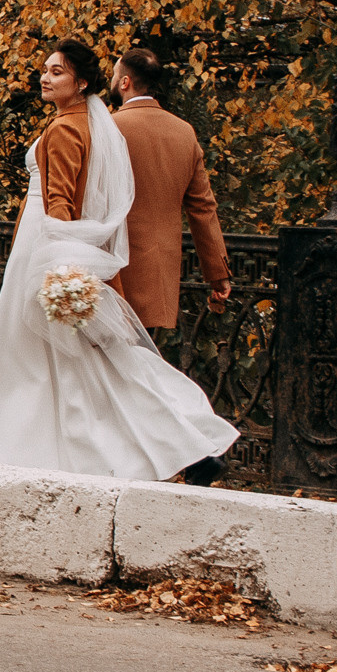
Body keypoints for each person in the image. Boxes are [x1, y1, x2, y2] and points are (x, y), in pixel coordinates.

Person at [0, 39, 239, 482]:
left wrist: (62, 264)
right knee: (101, 364)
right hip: (131, 263)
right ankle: (180, 446)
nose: (44, 76)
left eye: (56, 71)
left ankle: (174, 446)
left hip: (70, 252)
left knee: (84, 364)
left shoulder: (91, 128)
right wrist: (219, 274)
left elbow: (61, 200)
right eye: (44, 70)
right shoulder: (158, 130)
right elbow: (203, 208)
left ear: (96, 81)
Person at [109, 47, 235, 483]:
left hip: (113, 266)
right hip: (161, 271)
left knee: (126, 371)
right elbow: (203, 208)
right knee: (139, 367)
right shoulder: (185, 133)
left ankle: (194, 450)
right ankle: (186, 453)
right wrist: (217, 274)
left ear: (125, 82)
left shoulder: (109, 128)